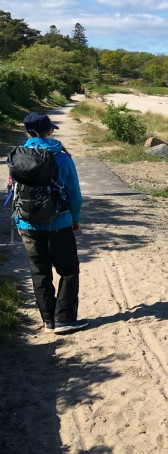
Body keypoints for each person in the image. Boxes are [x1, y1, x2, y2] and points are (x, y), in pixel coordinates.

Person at [13, 112, 87, 334]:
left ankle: (49, 321)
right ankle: (64, 319)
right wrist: (75, 219)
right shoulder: (62, 157)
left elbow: (14, 190)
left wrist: (18, 218)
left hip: (27, 224)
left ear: (27, 132)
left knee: (40, 271)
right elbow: (75, 194)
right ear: (50, 130)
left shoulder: (17, 157)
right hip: (59, 223)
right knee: (69, 270)